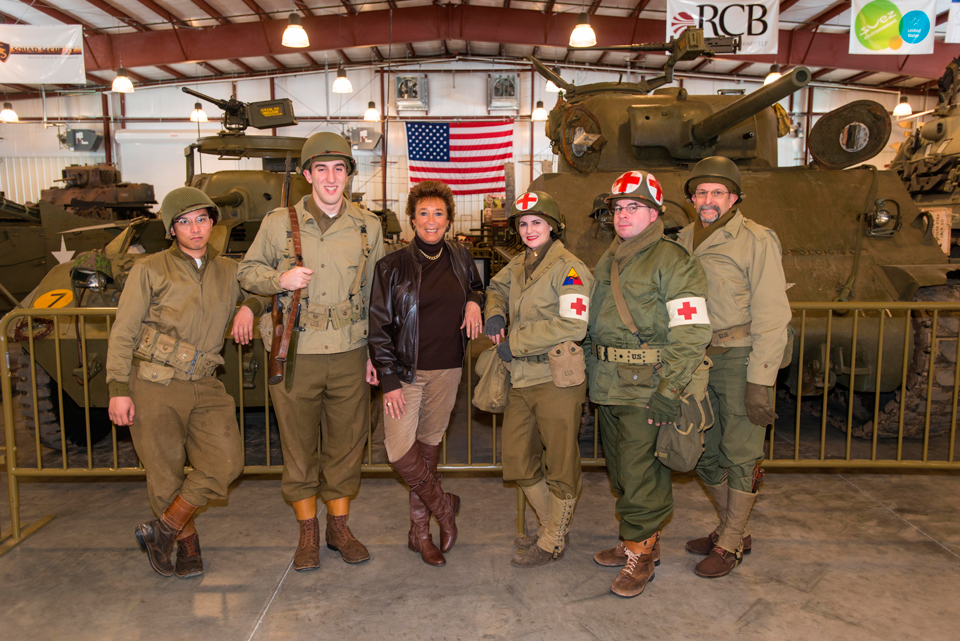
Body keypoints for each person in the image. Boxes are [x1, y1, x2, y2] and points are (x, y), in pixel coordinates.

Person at [237, 132, 385, 571]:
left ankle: (339, 528)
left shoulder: (367, 226)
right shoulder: (279, 222)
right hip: (295, 350)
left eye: (340, 168)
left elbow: (377, 294)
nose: (331, 178)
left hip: (350, 350)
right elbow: (247, 271)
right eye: (321, 169)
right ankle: (308, 534)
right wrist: (278, 281)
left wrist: (379, 354)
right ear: (307, 175)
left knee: (345, 445)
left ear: (349, 175)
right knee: (299, 447)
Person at [106, 187, 262, 579]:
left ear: (213, 223)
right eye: (184, 221)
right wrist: (117, 389)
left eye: (202, 219)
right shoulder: (150, 269)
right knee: (164, 473)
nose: (195, 228)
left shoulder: (229, 269)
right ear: (171, 228)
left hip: (206, 382)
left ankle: (163, 529)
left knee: (227, 463)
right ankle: (187, 544)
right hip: (154, 383)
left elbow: (262, 290)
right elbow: (123, 331)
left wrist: (248, 307)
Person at [583, 170, 711, 598]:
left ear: (654, 213)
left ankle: (642, 552)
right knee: (620, 471)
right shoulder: (611, 257)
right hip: (609, 384)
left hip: (648, 387)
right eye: (618, 208)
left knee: (641, 472)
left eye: (633, 207)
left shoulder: (674, 260)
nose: (622, 215)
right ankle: (636, 539)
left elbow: (691, 332)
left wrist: (670, 390)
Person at [677, 156, 791, 578]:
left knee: (742, 454)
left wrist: (761, 379)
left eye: (717, 193)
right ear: (692, 199)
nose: (708, 200)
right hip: (696, 358)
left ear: (734, 198)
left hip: (740, 355)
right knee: (704, 450)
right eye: (701, 193)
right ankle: (732, 527)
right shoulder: (683, 238)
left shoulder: (757, 240)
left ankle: (730, 542)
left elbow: (774, 313)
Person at [368, 180, 485, 566]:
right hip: (405, 374)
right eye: (423, 213)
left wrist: (473, 301)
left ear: (449, 220)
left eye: (438, 213)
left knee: (429, 450)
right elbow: (379, 327)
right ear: (412, 220)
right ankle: (444, 509)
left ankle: (420, 532)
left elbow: (476, 287)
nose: (431, 221)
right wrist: (388, 380)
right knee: (400, 452)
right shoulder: (391, 266)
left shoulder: (461, 257)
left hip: (448, 370)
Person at [483, 191, 593, 568]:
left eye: (537, 222)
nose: (529, 229)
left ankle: (551, 539)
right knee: (517, 457)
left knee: (560, 462)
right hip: (522, 377)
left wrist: (516, 341)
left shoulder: (570, 268)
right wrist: (494, 313)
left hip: (556, 378)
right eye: (523, 223)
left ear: (553, 226)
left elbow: (574, 324)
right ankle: (552, 526)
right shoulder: (520, 264)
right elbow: (495, 288)